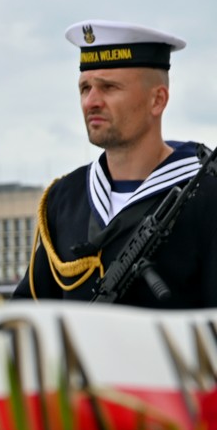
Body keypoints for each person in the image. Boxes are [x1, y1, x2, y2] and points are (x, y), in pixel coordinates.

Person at [12, 19, 217, 306]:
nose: (91, 102)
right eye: (85, 89)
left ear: (157, 100)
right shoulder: (66, 198)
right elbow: (29, 313)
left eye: (108, 87)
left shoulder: (206, 196)